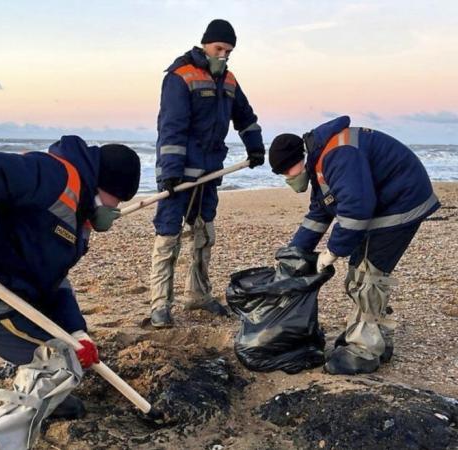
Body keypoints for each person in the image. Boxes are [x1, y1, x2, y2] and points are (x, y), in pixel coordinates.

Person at [0, 135, 140, 417]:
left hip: (11, 289)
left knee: (68, 350)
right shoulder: (54, 176)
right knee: (62, 366)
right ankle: (23, 410)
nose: (115, 208)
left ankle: (34, 364)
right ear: (103, 184)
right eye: (117, 200)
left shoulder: (78, 216)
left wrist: (76, 330)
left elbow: (54, 281)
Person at [268, 115, 440, 375]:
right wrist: (295, 253)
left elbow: (357, 210)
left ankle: (364, 350)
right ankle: (375, 335)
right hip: (385, 201)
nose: (286, 178)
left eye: (285, 172)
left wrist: (331, 253)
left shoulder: (338, 155)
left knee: (367, 274)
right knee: (359, 271)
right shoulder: (320, 162)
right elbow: (320, 212)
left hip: (401, 202)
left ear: (298, 160)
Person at [149, 19, 266, 328]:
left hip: (210, 172)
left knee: (204, 233)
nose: (224, 55)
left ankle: (198, 294)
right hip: (179, 173)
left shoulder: (229, 81)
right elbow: (171, 127)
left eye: (229, 51)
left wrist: (255, 146)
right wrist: (171, 172)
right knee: (168, 235)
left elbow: (246, 116)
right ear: (205, 44)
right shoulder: (180, 76)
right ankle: (160, 304)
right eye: (219, 49)